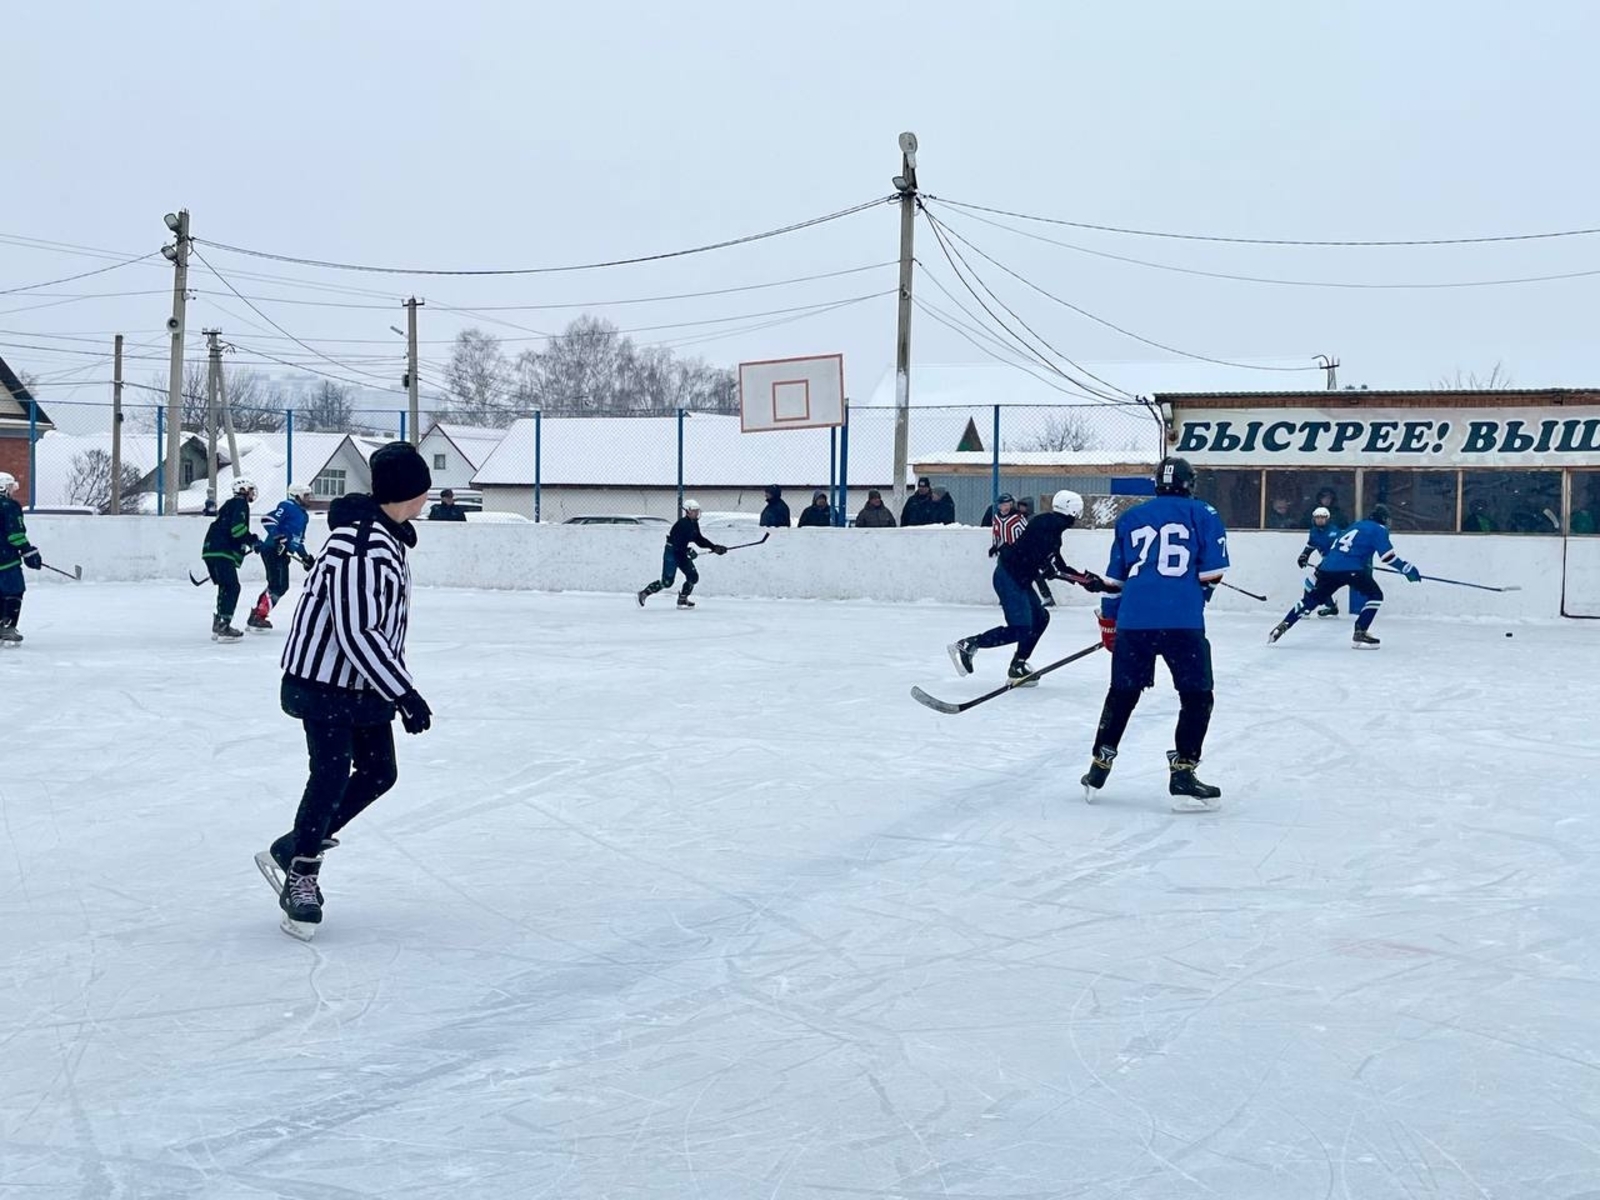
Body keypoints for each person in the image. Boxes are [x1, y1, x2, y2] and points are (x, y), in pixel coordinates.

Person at [259, 441, 435, 939]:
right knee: (333, 773)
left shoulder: (384, 536)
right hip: (325, 683)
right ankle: (301, 874)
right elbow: (357, 631)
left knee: (379, 772)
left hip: (361, 683)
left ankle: (295, 843)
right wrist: (405, 693)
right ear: (412, 492)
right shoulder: (361, 545)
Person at [1077, 457, 1229, 811]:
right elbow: (1213, 574)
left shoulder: (1131, 518)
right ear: (1190, 483)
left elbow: (1114, 583)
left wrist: (1110, 624)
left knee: (1123, 694)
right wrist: (1195, 597)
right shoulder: (1203, 512)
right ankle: (1184, 773)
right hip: (1182, 622)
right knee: (1197, 697)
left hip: (1134, 621)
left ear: (1156, 483)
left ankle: (1099, 766)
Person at [948, 489, 1089, 687]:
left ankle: (1018, 665)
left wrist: (1085, 579)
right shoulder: (1048, 526)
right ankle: (969, 644)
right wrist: (1052, 569)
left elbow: (1056, 564)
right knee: (1021, 628)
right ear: (1074, 511)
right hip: (1009, 577)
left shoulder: (1052, 526)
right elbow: (1044, 558)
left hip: (1019, 578)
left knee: (1040, 618)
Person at [1269, 502, 1421, 649]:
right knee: (1375, 595)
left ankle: (1284, 624)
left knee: (1311, 599)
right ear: (1383, 519)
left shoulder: (1356, 525)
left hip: (1328, 568)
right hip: (1351, 569)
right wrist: (1407, 569)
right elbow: (1388, 557)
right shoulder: (1379, 529)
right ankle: (1360, 632)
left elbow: (1344, 547)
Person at [248, 484, 316, 631]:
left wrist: (305, 557)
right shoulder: (287, 506)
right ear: (296, 496)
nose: (309, 498)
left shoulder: (304, 516)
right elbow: (267, 519)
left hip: (282, 553)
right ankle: (258, 616)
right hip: (273, 550)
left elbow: (297, 541)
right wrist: (278, 537)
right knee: (277, 585)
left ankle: (257, 614)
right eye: (306, 495)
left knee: (280, 586)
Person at [637, 498, 726, 608]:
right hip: (672, 552)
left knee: (693, 577)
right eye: (694, 511)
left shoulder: (694, 523)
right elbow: (677, 543)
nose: (697, 513)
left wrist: (714, 547)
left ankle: (682, 599)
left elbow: (699, 539)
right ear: (687, 511)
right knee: (667, 582)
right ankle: (644, 593)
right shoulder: (682, 525)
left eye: (698, 510)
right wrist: (688, 551)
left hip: (681, 552)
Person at [202, 476, 260, 642]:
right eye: (249, 489)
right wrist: (252, 540)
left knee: (225, 586)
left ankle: (219, 622)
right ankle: (224, 626)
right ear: (242, 490)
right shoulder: (240, 503)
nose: (251, 493)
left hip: (210, 551)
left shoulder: (228, 504)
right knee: (233, 587)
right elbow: (237, 529)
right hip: (222, 551)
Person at [0, 471, 42, 645]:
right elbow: (15, 533)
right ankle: (7, 626)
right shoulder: (9, 505)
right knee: (14, 590)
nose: (12, 490)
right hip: (5, 561)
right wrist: (28, 551)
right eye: (10, 486)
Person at [1296, 505, 1345, 617]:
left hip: (1337, 563)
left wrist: (1326, 564)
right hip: (1327, 563)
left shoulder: (1334, 532)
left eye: (1323, 517)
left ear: (1327, 519)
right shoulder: (1313, 531)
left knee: (1311, 582)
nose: (1320, 520)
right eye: (1317, 517)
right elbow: (1310, 546)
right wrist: (1304, 556)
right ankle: (1331, 607)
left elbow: (1339, 550)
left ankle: (1306, 607)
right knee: (1321, 585)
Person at [1016, 498, 1057, 607]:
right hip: (1027, 553)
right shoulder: (1019, 519)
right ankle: (1045, 597)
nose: (1021, 509)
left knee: (1037, 575)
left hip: (1037, 553)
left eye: (1024, 506)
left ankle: (1047, 596)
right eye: (1020, 506)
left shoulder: (1033, 519)